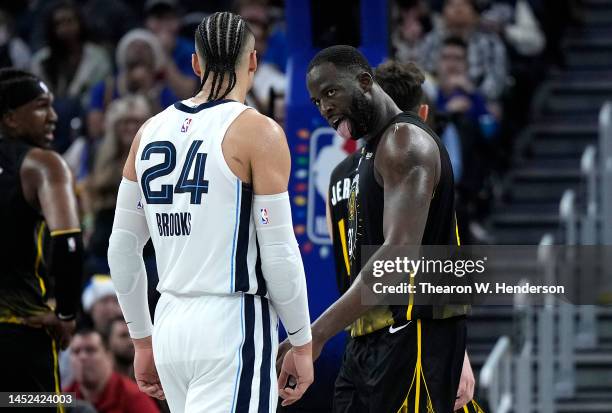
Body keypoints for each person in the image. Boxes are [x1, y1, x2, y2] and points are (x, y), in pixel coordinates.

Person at [107, 11, 313, 412]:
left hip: (169, 323)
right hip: (231, 324)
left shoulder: (147, 131)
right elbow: (279, 252)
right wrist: (303, 343)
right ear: (252, 61)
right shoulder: (259, 132)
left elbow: (122, 248)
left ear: (195, 63)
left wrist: (142, 340)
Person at [278, 46, 473, 412]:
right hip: (365, 337)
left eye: (331, 92)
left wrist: (314, 335)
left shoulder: (406, 143)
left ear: (366, 82)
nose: (324, 108)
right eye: (317, 101)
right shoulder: (365, 157)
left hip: (411, 335)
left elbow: (399, 257)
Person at [0, 69, 83, 398]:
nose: (53, 116)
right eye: (40, 106)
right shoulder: (42, 164)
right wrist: (65, 312)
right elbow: (70, 243)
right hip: (22, 333)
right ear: (9, 118)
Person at [66, 327, 160, 413]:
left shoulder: (133, 396)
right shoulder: (64, 395)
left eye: (90, 350)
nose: (82, 357)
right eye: (76, 351)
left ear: (109, 356)